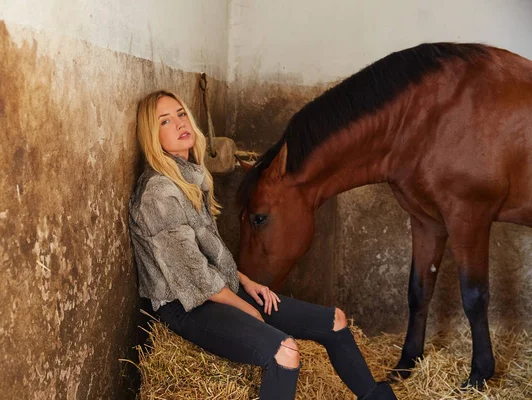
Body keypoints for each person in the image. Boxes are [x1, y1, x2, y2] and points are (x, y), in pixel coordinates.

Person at [128, 90, 397, 400]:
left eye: (181, 114)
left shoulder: (191, 178)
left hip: (218, 290)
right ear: (152, 135)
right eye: (165, 121)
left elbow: (211, 253)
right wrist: (247, 308)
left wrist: (247, 282)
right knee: (285, 352)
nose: (179, 123)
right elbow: (194, 279)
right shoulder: (159, 193)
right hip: (186, 307)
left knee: (334, 321)